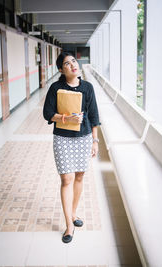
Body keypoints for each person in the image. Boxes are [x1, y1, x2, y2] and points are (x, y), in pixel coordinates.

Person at [43, 51, 101, 243]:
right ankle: (69, 224)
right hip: (62, 137)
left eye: (73, 61)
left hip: (84, 137)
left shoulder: (88, 88)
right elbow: (47, 113)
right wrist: (66, 118)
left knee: (79, 175)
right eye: (67, 64)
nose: (72, 65)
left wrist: (95, 141)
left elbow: (94, 116)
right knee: (66, 179)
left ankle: (74, 213)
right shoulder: (56, 88)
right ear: (61, 69)